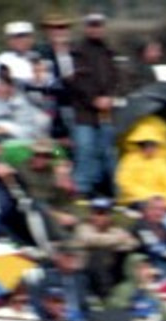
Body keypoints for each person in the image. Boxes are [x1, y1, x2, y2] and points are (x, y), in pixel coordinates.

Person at [68, 11, 120, 197]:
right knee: (85, 150)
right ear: (86, 27)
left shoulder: (109, 52)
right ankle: (81, 191)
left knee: (106, 152)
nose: (95, 28)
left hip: (106, 113)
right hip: (84, 113)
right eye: (92, 25)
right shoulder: (77, 51)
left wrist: (110, 97)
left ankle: (105, 192)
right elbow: (77, 81)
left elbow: (116, 78)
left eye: (99, 25)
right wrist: (94, 100)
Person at [115, 131, 166, 209]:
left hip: (162, 198)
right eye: (147, 145)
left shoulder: (161, 161)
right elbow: (125, 183)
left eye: (153, 145)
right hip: (136, 199)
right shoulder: (129, 160)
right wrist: (151, 196)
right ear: (141, 146)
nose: (151, 148)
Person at [130, 195, 166, 276]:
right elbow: (155, 249)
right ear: (146, 210)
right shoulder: (141, 226)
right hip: (148, 267)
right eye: (155, 209)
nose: (159, 213)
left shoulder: (164, 227)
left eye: (163, 210)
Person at [0, 21, 38, 86]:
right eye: (14, 38)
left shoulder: (38, 56)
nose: (19, 41)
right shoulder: (3, 59)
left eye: (23, 37)